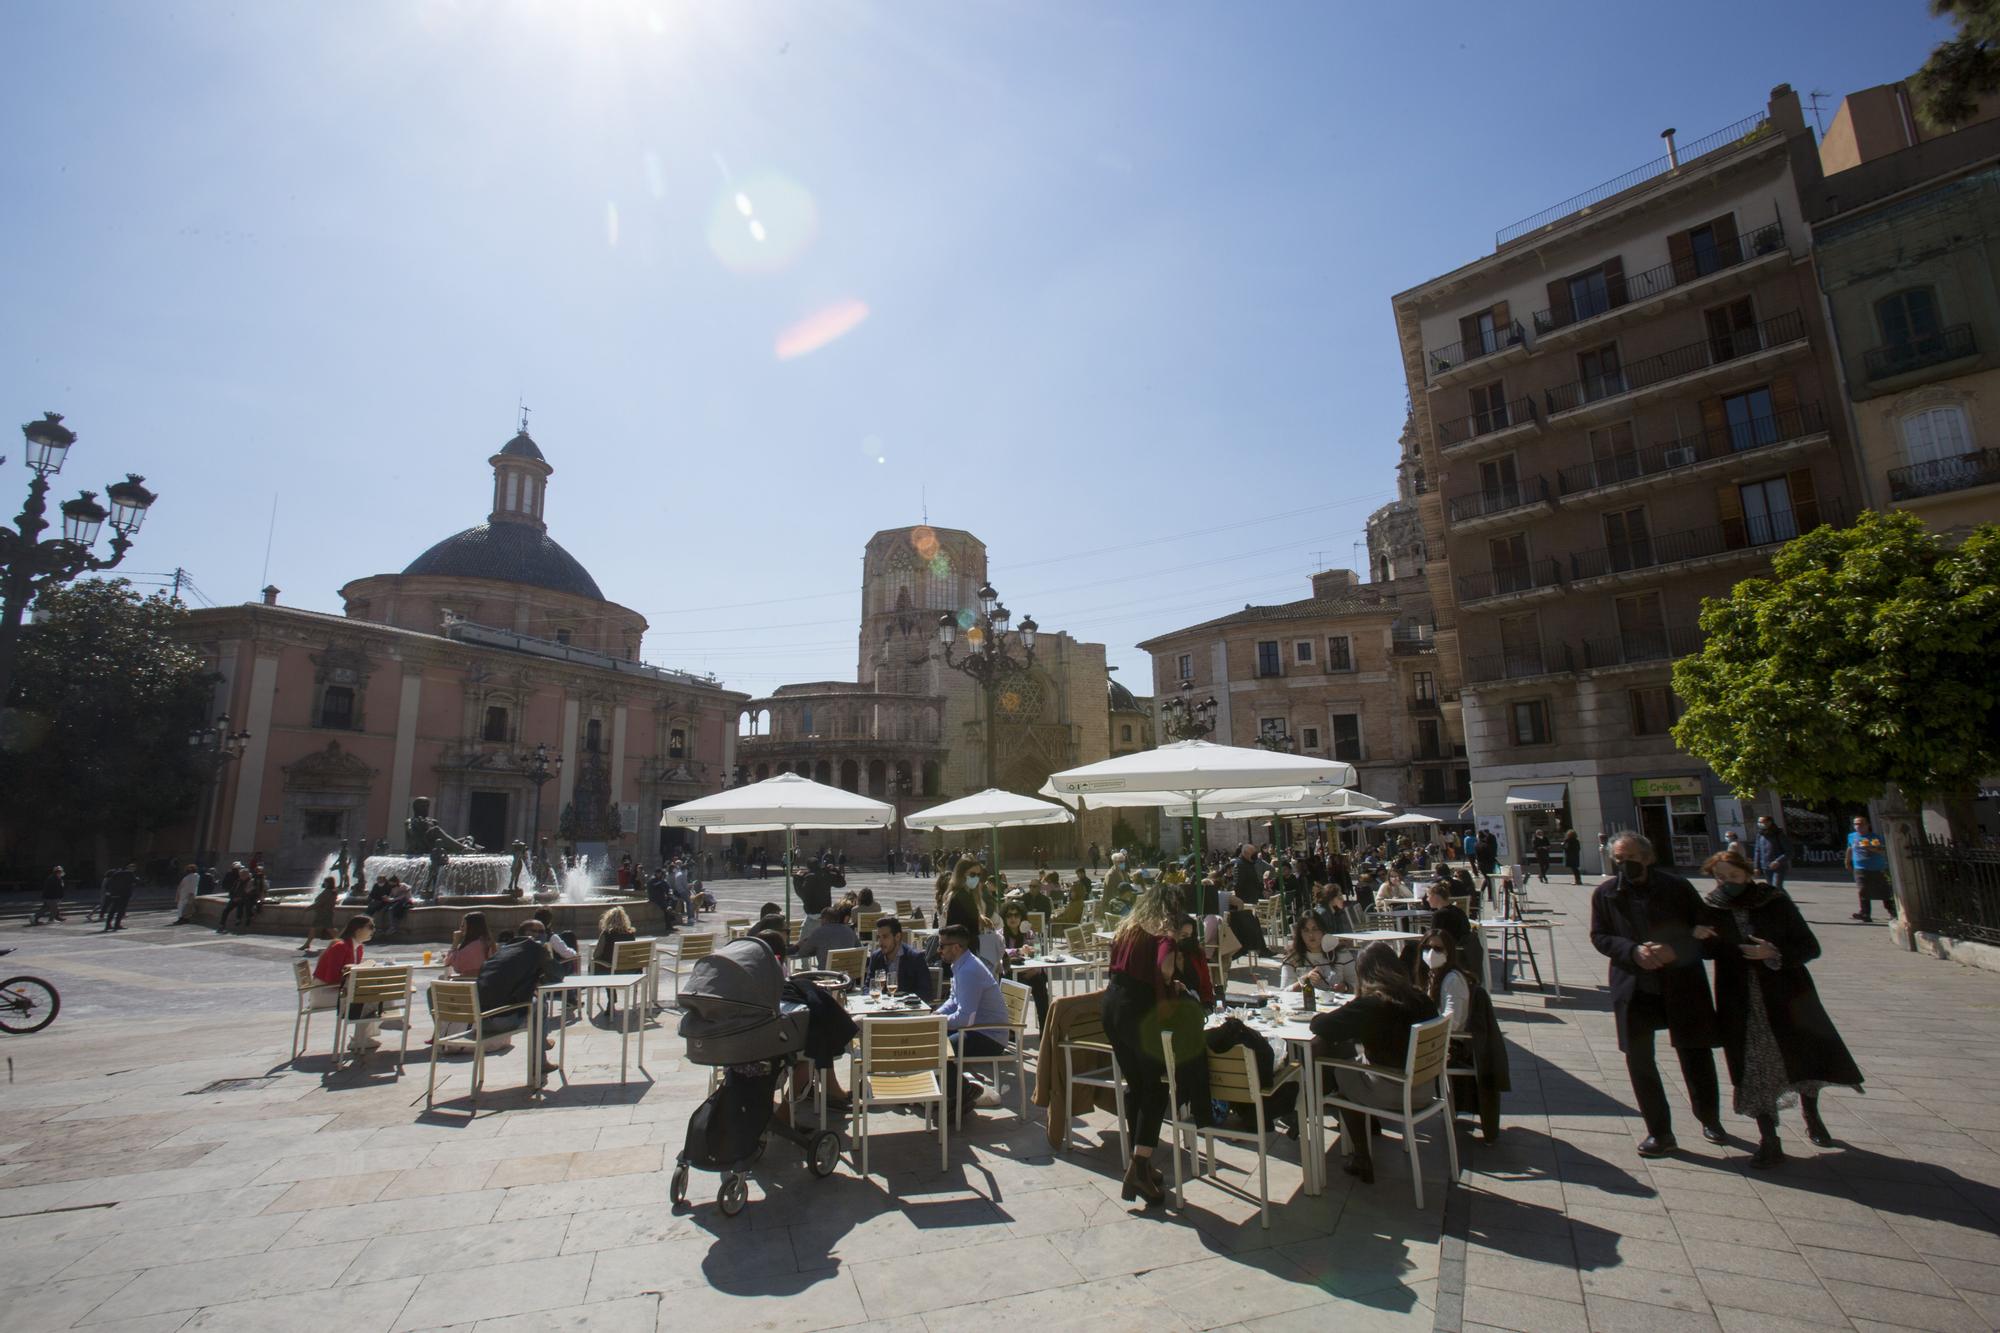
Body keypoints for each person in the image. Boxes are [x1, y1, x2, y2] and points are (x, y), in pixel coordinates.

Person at [1699, 850, 1861, 1166]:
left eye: (1733, 876)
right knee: (1754, 1068)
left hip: (1787, 993)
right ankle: (1769, 1139)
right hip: (1740, 999)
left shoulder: (1774, 900)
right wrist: (1699, 937)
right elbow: (1708, 952)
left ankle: (1811, 1114)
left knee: (1802, 1056)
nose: (1727, 882)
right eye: (1721, 877)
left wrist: (1773, 952)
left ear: (1747, 872)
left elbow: (1809, 946)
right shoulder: (1712, 907)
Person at [1589, 831, 1724, 1158]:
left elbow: (1705, 930)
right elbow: (1600, 936)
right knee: (1639, 1059)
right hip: (1635, 984)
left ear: (1648, 857)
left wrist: (1674, 949)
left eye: (1631, 858)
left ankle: (1709, 1118)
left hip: (1681, 981)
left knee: (1694, 1051)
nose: (1625, 865)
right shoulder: (1606, 893)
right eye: (1619, 860)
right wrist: (1632, 951)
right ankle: (1659, 1131)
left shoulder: (1676, 887)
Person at [1308, 942, 1439, 1184]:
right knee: (1350, 1058)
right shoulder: (1421, 998)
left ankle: (1361, 1155)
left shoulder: (1372, 1004)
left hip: (1393, 1090)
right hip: (1425, 1088)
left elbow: (1321, 1027)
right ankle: (1371, 1123)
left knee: (1341, 1071)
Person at [1100, 884, 1192, 1206]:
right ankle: (1139, 1166)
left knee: (1136, 1084)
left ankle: (1141, 1161)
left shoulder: (1129, 928)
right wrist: (1168, 982)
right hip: (1137, 1011)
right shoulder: (1163, 931)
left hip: (1111, 1005)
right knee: (1155, 1086)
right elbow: (1166, 965)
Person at [934, 924, 1009, 1116]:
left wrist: (938, 1023)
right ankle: (954, 1092)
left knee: (941, 1049)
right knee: (932, 1039)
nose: (938, 949)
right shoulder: (961, 964)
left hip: (989, 1035)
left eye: (942, 945)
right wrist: (936, 1016)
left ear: (956, 947)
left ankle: (961, 1094)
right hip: (978, 1028)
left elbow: (965, 1018)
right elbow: (953, 1000)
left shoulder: (968, 970)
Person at [477, 920, 564, 1038]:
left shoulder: (504, 950)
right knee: (540, 1001)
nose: (542, 935)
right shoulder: (536, 948)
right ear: (527, 933)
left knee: (534, 996)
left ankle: (541, 1046)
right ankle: (540, 1049)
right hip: (502, 1021)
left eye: (544, 932)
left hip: (480, 1021)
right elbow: (558, 974)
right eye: (538, 931)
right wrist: (545, 953)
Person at [314, 915, 382, 1056]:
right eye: (370, 927)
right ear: (358, 929)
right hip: (325, 992)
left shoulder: (358, 948)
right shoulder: (340, 947)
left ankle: (363, 1037)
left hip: (340, 990)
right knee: (368, 997)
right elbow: (332, 977)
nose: (373, 930)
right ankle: (361, 1037)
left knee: (378, 992)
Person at [998, 903, 1051, 1030]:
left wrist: (1035, 969)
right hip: (1008, 973)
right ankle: (1011, 1031)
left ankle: (1045, 1030)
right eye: (1009, 915)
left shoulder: (1029, 934)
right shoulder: (999, 934)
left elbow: (1039, 955)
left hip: (1029, 972)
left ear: (1022, 917)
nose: (1013, 918)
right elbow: (1001, 953)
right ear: (1004, 918)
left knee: (1040, 986)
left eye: (1016, 915)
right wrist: (1018, 950)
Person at [864, 916, 933, 1000]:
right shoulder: (876, 956)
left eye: (885, 937)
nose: (880, 942)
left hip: (908, 1008)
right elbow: (867, 986)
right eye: (879, 937)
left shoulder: (914, 957)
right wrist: (872, 996)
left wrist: (903, 1001)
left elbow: (925, 991)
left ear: (897, 937)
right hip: (882, 1007)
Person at [1847, 815, 1893, 923]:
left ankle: (1892, 911)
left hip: (1877, 867)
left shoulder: (1874, 837)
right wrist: (1847, 861)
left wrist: (1870, 848)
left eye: (1860, 824)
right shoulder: (1852, 836)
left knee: (1884, 890)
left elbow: (1880, 850)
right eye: (1856, 824)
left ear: (1867, 825)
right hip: (1860, 868)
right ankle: (1865, 913)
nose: (1858, 826)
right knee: (1863, 890)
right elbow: (1849, 848)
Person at [1280, 915, 1343, 993]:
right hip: (1305, 1003)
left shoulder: (1341, 954)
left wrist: (1345, 987)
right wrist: (1305, 980)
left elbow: (1357, 986)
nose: (1311, 935)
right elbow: (1283, 993)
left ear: (1323, 931)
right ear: (1300, 934)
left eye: (1315, 929)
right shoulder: (1292, 958)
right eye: (1306, 930)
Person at [794, 904, 859, 972]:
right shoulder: (849, 931)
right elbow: (859, 947)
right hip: (848, 975)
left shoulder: (819, 932)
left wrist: (801, 945)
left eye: (821, 919)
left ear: (824, 919)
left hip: (827, 976)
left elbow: (803, 953)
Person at [446, 911, 500, 977]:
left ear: (472, 927)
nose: (460, 928)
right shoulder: (487, 941)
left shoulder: (474, 946)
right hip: (484, 981)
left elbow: (450, 963)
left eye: (463, 925)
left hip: (470, 983)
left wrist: (455, 942)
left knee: (438, 981)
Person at [590, 906, 637, 974]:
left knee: (592, 964)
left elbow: (596, 955)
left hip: (610, 970)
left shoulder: (607, 934)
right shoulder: (630, 934)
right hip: (629, 970)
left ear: (608, 920)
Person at [300, 876, 340, 952]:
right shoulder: (331, 891)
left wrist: (308, 908)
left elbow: (319, 903)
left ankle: (342, 942)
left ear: (328, 883)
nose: (324, 883)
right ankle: (307, 944)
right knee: (315, 928)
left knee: (330, 929)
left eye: (325, 882)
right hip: (324, 913)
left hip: (324, 914)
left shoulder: (328, 892)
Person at [1754, 816, 1791, 894]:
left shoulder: (1778, 834)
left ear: (1769, 822)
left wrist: (1778, 861)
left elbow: (1789, 852)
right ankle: (1780, 903)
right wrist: (1756, 867)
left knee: (1777, 886)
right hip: (1766, 866)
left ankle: (1787, 903)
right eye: (1759, 822)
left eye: (1762, 822)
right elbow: (1757, 851)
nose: (1760, 824)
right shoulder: (1760, 835)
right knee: (1772, 888)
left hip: (1779, 866)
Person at [99, 862, 138, 932]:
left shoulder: (116, 873)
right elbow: (136, 881)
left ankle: (108, 925)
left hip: (115, 894)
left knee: (113, 909)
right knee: (121, 910)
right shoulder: (130, 873)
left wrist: (110, 891)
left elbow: (108, 883)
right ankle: (117, 924)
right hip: (124, 894)